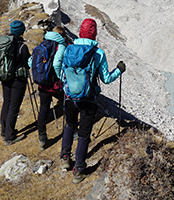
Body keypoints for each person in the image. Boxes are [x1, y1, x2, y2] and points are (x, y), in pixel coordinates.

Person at [60, 18, 126, 184]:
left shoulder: (69, 49)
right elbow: (106, 78)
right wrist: (119, 70)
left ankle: (65, 158)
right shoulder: (98, 53)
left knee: (69, 125)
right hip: (88, 99)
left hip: (69, 97)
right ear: (94, 34)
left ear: (80, 32)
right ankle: (79, 169)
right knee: (84, 133)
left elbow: (62, 74)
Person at [35, 26, 66, 150]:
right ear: (61, 35)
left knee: (43, 110)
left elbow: (31, 61)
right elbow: (57, 63)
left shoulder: (43, 44)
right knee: (68, 105)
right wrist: (60, 78)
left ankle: (42, 139)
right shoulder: (61, 46)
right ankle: (73, 131)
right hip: (55, 85)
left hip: (43, 84)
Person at [0, 20, 30, 145]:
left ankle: (4, 131)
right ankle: (10, 137)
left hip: (5, 78)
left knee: (6, 103)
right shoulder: (22, 47)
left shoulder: (4, 44)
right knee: (14, 106)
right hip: (18, 80)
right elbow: (27, 63)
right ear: (21, 32)